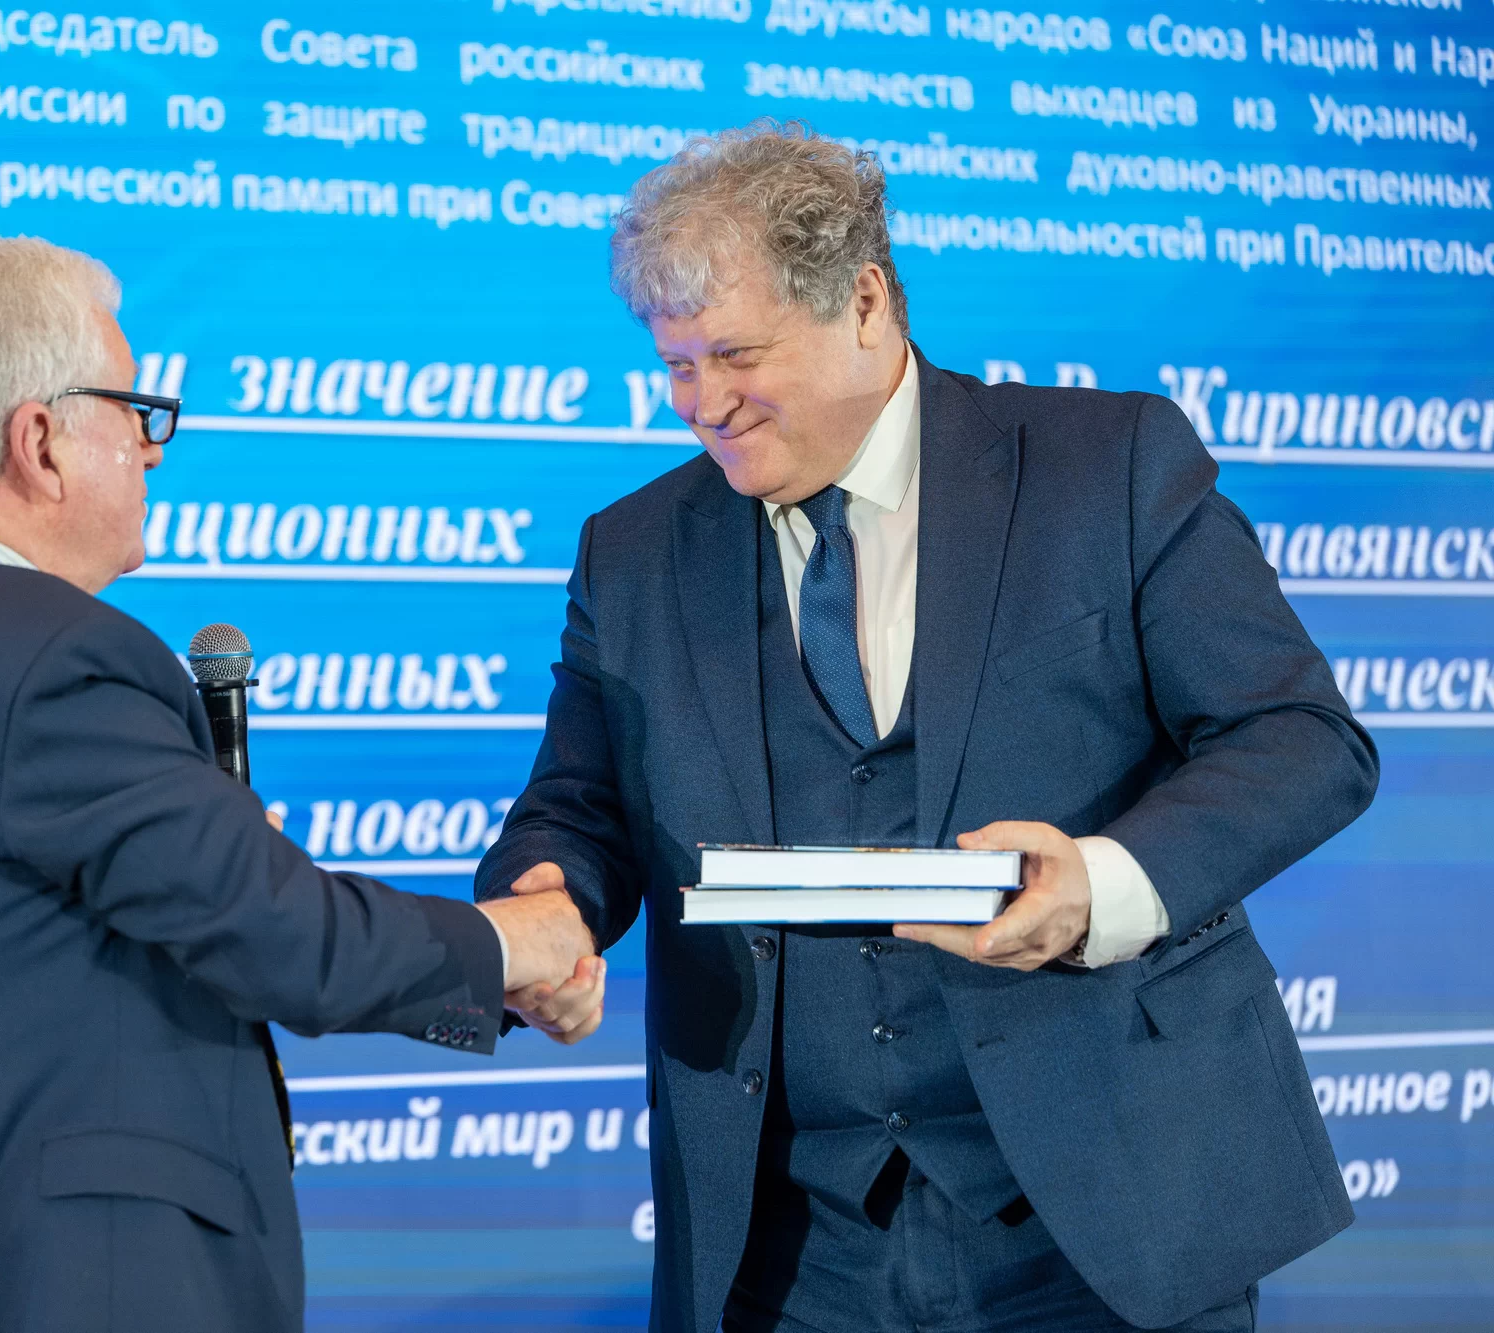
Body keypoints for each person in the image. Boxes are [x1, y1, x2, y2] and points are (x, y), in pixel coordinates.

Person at [478, 123, 1378, 1332]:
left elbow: (1302, 738)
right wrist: (547, 893)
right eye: (675, 364)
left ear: (862, 302)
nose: (702, 404)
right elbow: (576, 805)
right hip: (785, 1248)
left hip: (1112, 1211)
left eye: (735, 354)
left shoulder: (1106, 464)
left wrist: (1099, 883)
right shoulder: (629, 551)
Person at [0, 235, 602, 1333]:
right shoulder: (48, 658)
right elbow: (278, 932)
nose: (152, 450)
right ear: (39, 442)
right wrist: (513, 945)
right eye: (135, 412)